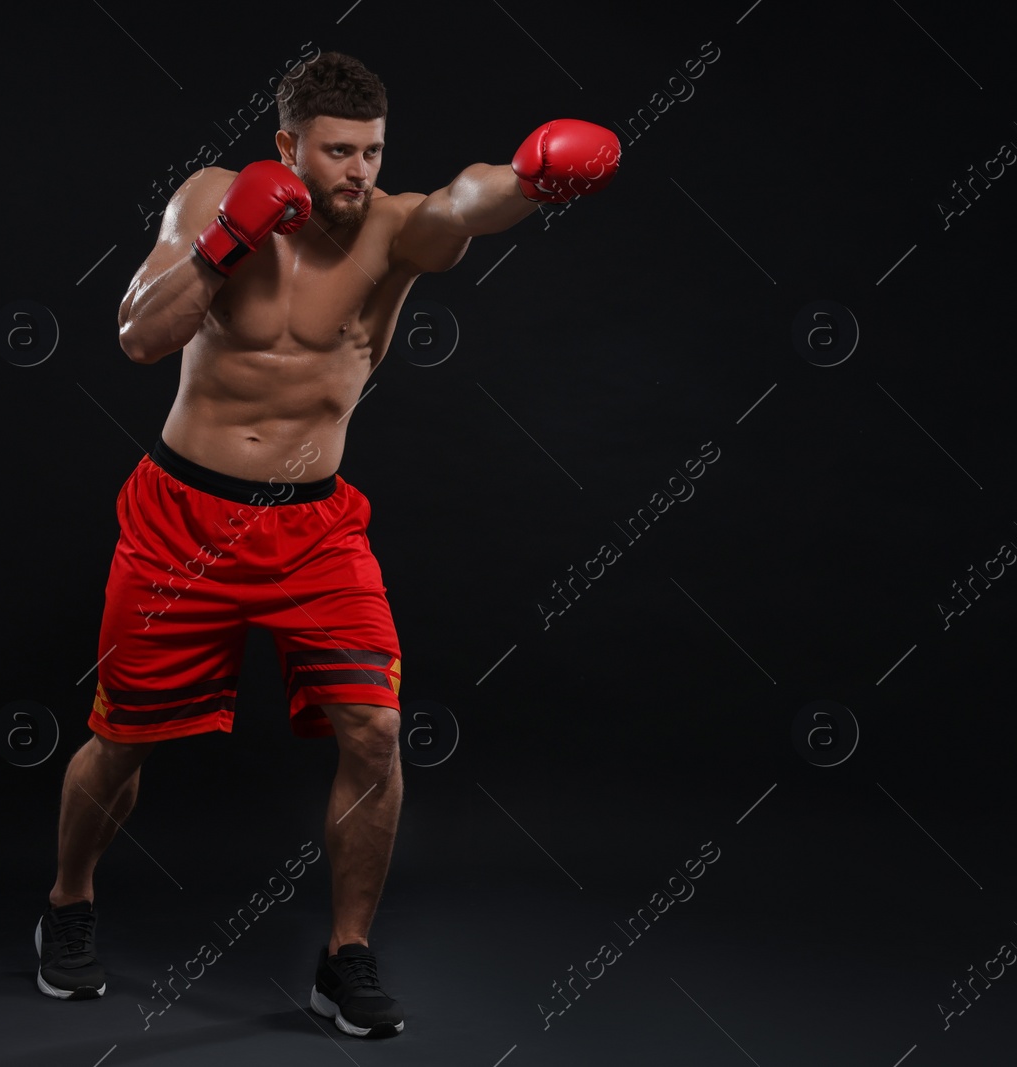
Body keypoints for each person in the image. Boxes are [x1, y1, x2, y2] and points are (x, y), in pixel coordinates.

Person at [32, 51, 619, 1038]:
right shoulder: (214, 197)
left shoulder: (393, 228)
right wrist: (224, 243)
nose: (357, 170)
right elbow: (138, 336)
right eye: (338, 151)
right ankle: (67, 901)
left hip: (314, 528)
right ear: (286, 146)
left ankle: (344, 953)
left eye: (372, 152)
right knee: (123, 734)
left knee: (376, 731)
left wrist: (525, 180)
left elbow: (463, 205)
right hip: (183, 516)